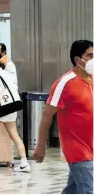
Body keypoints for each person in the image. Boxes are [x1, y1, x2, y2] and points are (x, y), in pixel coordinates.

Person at [33, 40, 93, 194]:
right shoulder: (65, 83)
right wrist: (40, 146)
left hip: (90, 145)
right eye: (90, 55)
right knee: (89, 189)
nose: (93, 60)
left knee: (73, 190)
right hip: (77, 149)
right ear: (77, 59)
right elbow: (47, 115)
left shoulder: (92, 80)